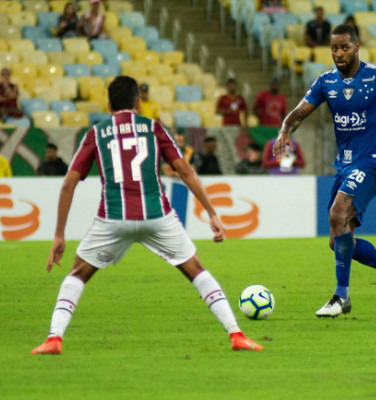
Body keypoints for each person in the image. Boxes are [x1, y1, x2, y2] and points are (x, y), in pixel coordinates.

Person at [31, 75, 262, 355]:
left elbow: (68, 182)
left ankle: (54, 339)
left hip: (113, 219)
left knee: (77, 274)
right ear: (138, 103)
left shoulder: (96, 133)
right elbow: (185, 171)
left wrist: (59, 235)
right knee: (197, 271)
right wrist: (212, 213)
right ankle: (236, 334)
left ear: (108, 104)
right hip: (157, 216)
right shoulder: (154, 128)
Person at [273, 24, 376, 317]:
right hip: (346, 165)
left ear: (357, 46)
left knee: (336, 214)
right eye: (334, 48)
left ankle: (341, 297)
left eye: (344, 48)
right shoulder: (326, 82)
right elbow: (299, 112)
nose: (339, 54)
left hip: (374, 162)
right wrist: (284, 130)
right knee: (338, 240)